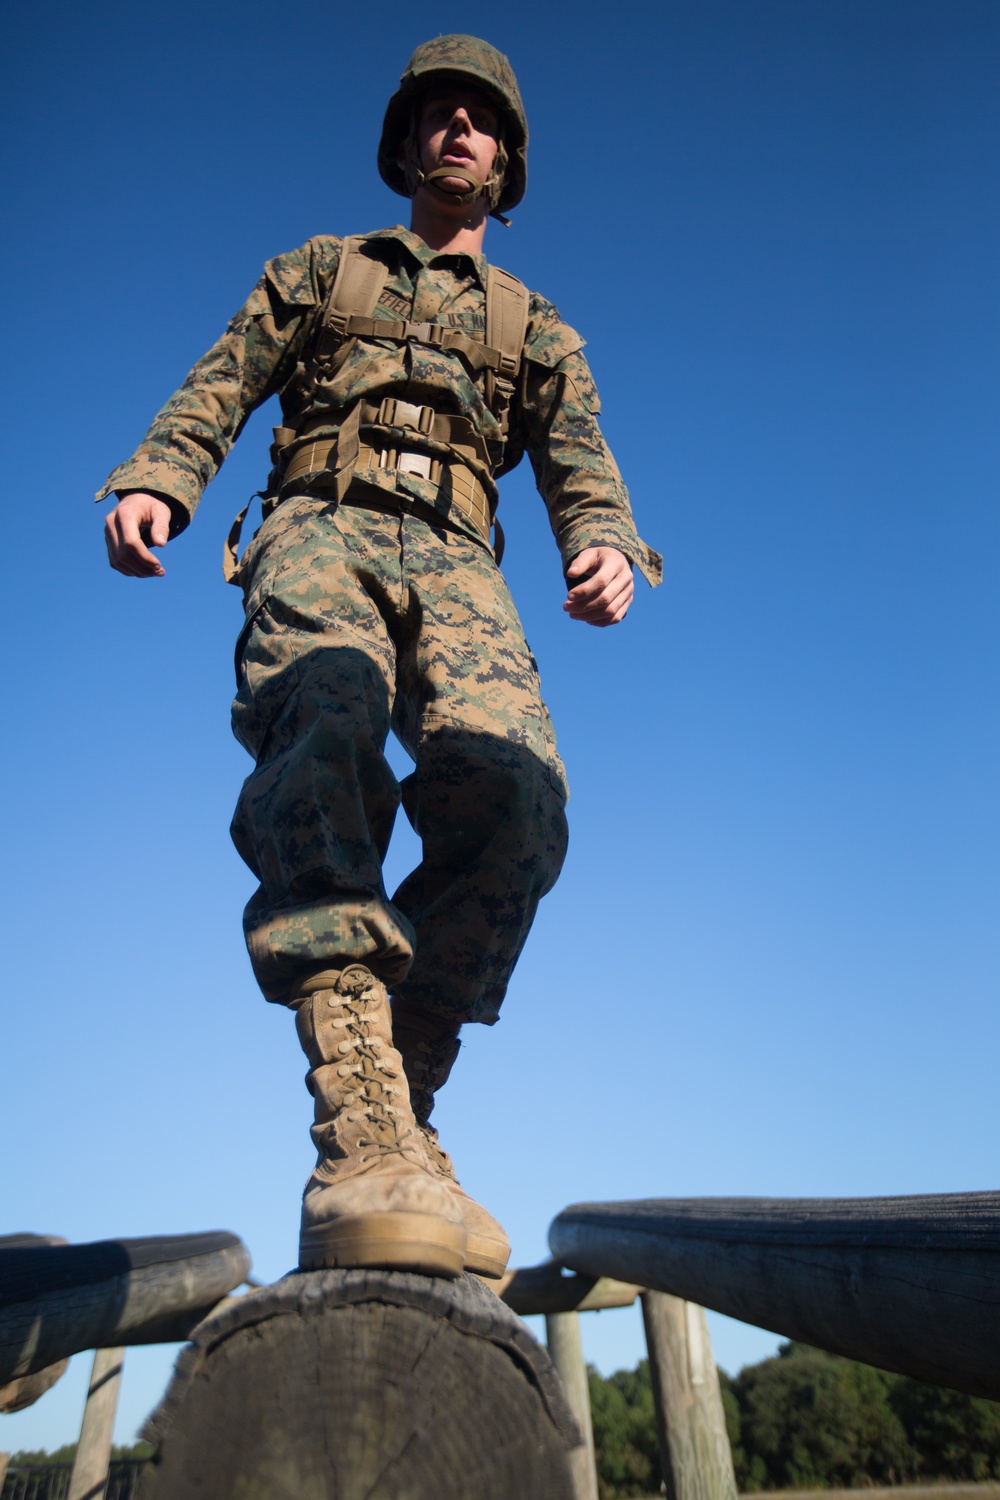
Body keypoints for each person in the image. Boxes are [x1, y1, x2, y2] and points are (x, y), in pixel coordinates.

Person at [99, 35, 661, 1280]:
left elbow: (582, 463)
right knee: (328, 718)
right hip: (320, 526)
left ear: (506, 160)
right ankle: (359, 1129)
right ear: (406, 145)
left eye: (481, 121)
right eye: (436, 116)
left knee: (519, 802)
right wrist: (160, 475)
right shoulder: (321, 270)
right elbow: (221, 382)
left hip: (462, 564)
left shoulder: (538, 329)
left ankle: (403, 1098)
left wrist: (609, 543)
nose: (458, 132)